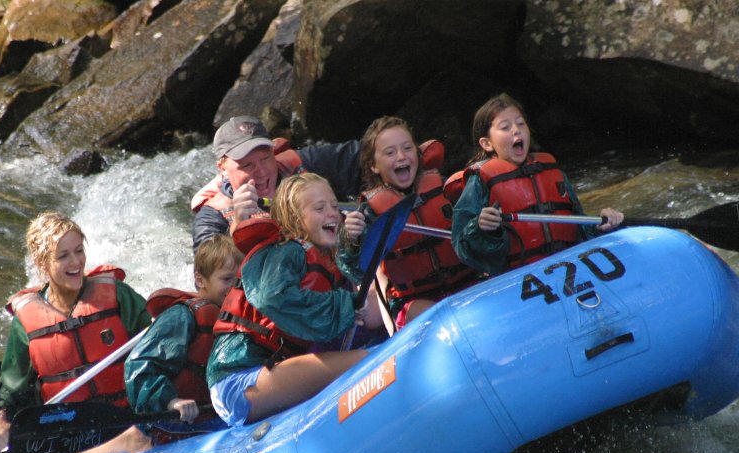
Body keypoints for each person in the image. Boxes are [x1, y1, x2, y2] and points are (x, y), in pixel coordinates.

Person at [0, 211, 153, 453]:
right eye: (63, 256)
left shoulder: (117, 295)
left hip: (124, 417)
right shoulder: (27, 321)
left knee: (135, 436)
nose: (76, 262)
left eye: (78, 251)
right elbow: (12, 387)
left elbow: (155, 343)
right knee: (134, 441)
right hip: (69, 436)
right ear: (42, 263)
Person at [207, 173, 379, 427]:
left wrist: (351, 245)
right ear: (295, 218)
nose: (332, 213)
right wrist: (345, 306)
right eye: (319, 208)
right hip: (237, 381)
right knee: (367, 363)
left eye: (334, 205)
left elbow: (358, 283)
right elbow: (271, 297)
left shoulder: (322, 254)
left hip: (271, 371)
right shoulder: (287, 251)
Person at [447, 93, 624, 276]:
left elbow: (580, 227)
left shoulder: (551, 171)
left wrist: (602, 224)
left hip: (569, 264)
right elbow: (462, 247)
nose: (516, 130)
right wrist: (480, 228)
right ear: (487, 143)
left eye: (521, 123)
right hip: (519, 276)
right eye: (505, 127)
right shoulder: (479, 182)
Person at [342, 116, 480, 330]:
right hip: (414, 300)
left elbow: (477, 237)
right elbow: (354, 270)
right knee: (435, 316)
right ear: (374, 166)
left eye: (407, 148)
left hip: (466, 282)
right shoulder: (370, 213)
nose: (401, 156)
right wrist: (350, 240)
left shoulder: (444, 187)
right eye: (390, 152)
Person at [190, 116, 362, 250]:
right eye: (247, 165)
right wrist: (238, 226)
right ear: (223, 168)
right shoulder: (212, 218)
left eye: (265, 158)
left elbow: (367, 155)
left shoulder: (301, 164)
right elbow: (209, 280)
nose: (262, 172)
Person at [124, 234, 242, 430]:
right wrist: (172, 402)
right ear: (200, 280)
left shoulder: (240, 314)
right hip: (179, 425)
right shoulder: (182, 316)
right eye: (226, 279)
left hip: (220, 418)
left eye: (238, 279)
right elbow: (138, 367)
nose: (235, 286)